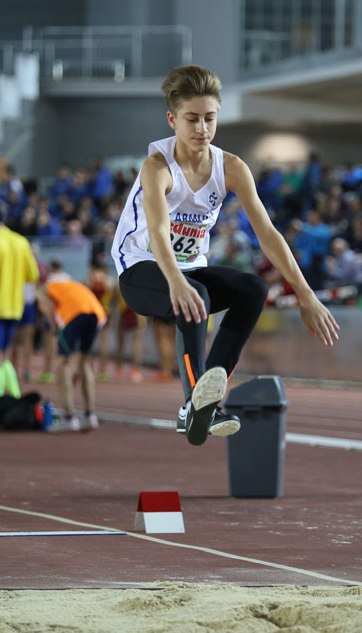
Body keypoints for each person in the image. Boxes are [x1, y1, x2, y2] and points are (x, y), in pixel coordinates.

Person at [111, 65, 339, 446]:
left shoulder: (231, 168)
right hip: (140, 271)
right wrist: (176, 280)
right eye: (192, 119)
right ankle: (193, 405)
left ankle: (207, 397)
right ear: (172, 120)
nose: (202, 128)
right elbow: (159, 232)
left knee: (253, 288)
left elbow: (268, 234)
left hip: (189, 272)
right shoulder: (158, 168)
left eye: (210, 118)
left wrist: (305, 293)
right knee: (196, 296)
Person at [0, 197, 40, 403]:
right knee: (3, 355)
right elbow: (32, 275)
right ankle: (13, 397)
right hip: (14, 307)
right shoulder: (21, 241)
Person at [35, 272, 106, 431]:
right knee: (84, 363)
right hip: (97, 314)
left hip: (74, 315)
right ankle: (90, 416)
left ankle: (69, 417)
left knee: (62, 364)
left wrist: (53, 326)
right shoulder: (72, 285)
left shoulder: (44, 287)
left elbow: (47, 306)